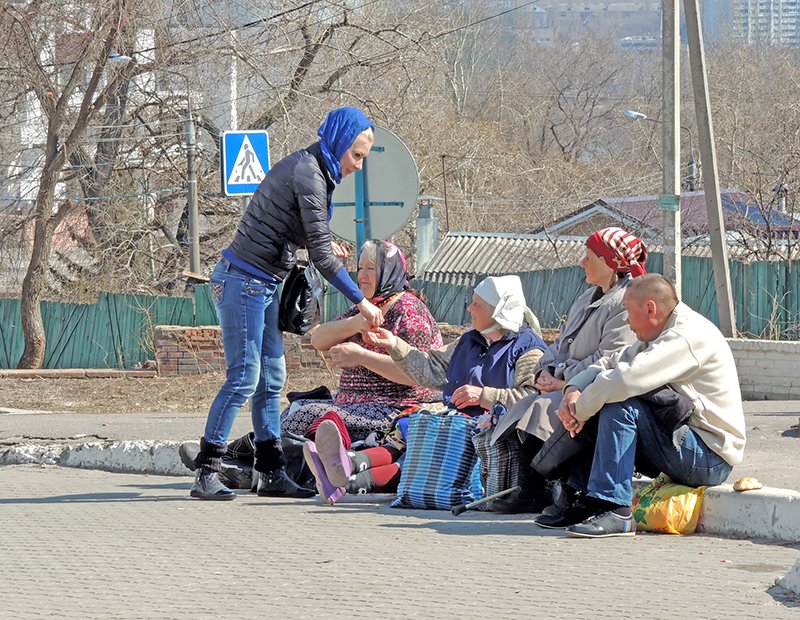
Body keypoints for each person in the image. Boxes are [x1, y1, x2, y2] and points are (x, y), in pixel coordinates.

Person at [190, 107, 384, 501]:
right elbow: (323, 261)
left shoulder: (318, 170)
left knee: (271, 380)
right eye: (357, 155)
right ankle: (207, 471)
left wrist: (326, 243)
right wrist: (362, 303)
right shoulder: (310, 174)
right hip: (242, 281)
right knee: (245, 376)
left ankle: (272, 472)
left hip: (262, 283)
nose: (359, 166)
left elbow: (308, 237)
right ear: (339, 142)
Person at [303, 275, 548, 504]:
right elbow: (431, 368)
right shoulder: (470, 340)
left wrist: (485, 397)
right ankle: (348, 467)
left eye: (476, 304)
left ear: (498, 312)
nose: (469, 309)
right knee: (412, 432)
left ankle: (345, 476)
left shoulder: (527, 350)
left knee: (421, 459)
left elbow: (533, 397)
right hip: (456, 426)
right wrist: (393, 345)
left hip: (492, 439)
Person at [534, 274, 746, 538]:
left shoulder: (686, 336)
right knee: (603, 396)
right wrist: (574, 389)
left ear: (649, 308)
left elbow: (625, 379)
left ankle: (614, 508)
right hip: (683, 444)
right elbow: (612, 363)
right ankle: (584, 499)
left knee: (619, 404)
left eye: (628, 311)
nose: (626, 320)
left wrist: (578, 411)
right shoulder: (660, 331)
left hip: (709, 458)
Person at [489, 227, 649, 514]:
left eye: (589, 257)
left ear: (609, 262)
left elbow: (612, 356)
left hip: (591, 385)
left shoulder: (625, 302)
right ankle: (532, 489)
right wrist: (545, 370)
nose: (582, 263)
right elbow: (561, 342)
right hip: (565, 381)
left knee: (540, 407)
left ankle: (552, 488)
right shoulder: (587, 297)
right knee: (527, 404)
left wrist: (563, 379)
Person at [281, 239, 443, 441]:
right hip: (354, 402)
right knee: (292, 411)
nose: (362, 276)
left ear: (389, 271)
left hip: (394, 407)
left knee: (304, 417)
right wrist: (356, 323)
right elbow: (319, 340)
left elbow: (416, 374)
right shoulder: (369, 306)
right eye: (360, 268)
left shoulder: (408, 310)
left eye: (371, 268)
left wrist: (362, 357)